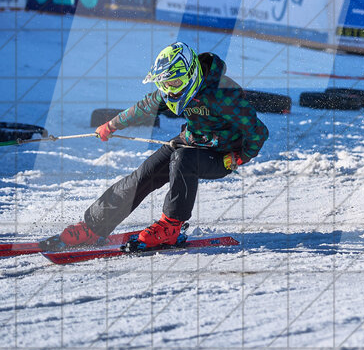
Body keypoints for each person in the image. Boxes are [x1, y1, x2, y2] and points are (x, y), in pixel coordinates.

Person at [42, 43, 268, 251]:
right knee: (144, 174)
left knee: (182, 159)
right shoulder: (171, 90)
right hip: (192, 141)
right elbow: (143, 108)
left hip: (220, 155)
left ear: (191, 74)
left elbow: (258, 132)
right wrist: (111, 125)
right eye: (165, 85)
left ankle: (170, 227)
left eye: (175, 84)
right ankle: (93, 227)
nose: (171, 91)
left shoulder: (223, 94)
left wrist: (239, 157)